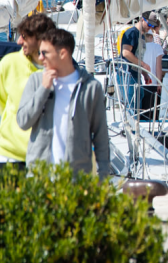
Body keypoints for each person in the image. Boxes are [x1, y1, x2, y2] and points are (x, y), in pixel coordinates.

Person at [16, 28, 111, 177]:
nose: (40, 58)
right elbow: (23, 121)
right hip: (39, 179)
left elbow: (101, 136)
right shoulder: (36, 81)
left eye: (45, 53)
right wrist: (43, 89)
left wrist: (103, 176)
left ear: (62, 53)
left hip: (76, 182)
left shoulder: (91, 87)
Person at [0, 12, 55, 168]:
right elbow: (2, 105)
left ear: (40, 40)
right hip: (9, 157)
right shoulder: (8, 63)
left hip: (45, 159)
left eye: (25, 37)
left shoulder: (59, 70)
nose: (19, 41)